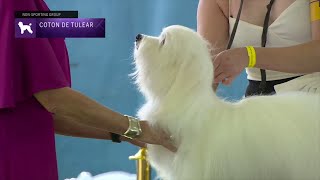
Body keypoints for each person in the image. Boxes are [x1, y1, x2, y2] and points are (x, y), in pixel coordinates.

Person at [0, 0, 175, 179]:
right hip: (15, 161)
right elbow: (53, 99)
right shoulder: (16, 3)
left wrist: (125, 133)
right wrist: (138, 128)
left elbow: (42, 114)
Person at [197, 0, 320, 96]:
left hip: (311, 98)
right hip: (257, 104)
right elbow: (206, 78)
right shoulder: (215, 2)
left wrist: (249, 55)